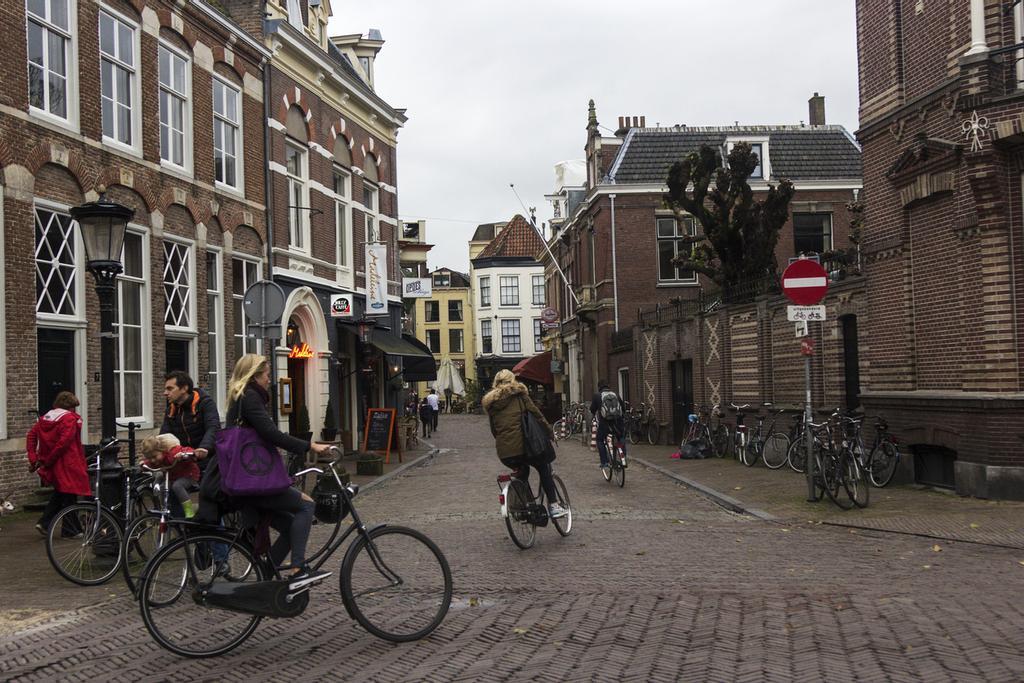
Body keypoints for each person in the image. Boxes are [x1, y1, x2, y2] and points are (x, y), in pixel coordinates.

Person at [224, 354, 331, 581]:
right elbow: (271, 434)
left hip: (248, 481)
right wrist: (310, 446)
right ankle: (298, 569)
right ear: (255, 376)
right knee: (306, 505)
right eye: (266, 374)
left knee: (292, 526)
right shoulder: (250, 397)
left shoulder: (240, 398)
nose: (268, 379)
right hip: (255, 481)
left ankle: (266, 575)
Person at [482, 369, 566, 519]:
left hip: (505, 453)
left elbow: (494, 431)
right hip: (526, 448)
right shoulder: (520, 396)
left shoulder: (491, 404)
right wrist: (550, 433)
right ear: (512, 380)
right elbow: (537, 415)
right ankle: (554, 506)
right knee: (544, 468)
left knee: (522, 472)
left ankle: (526, 506)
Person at [27, 391, 90, 536]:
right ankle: (69, 530)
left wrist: (34, 458)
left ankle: (47, 523)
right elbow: (64, 443)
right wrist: (49, 460)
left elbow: (31, 436)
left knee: (62, 493)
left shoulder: (44, 418)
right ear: (70, 407)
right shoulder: (69, 419)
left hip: (53, 463)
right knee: (69, 493)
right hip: (68, 462)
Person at [160, 371, 220, 473]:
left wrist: (204, 447)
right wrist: (152, 454)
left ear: (184, 388)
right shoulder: (171, 410)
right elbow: (164, 436)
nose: (165, 393)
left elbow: (213, 427)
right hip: (184, 462)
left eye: (170, 389)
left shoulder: (205, 403)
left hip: (208, 461)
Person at [140, 433, 199, 518]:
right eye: (149, 458)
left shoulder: (173, 452)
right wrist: (144, 465)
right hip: (173, 478)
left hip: (189, 476)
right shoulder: (157, 460)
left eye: (154, 456)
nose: (152, 460)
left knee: (177, 486)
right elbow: (150, 464)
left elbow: (190, 451)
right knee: (163, 487)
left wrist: (183, 455)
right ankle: (165, 509)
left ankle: (189, 510)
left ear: (161, 450)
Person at [590, 379, 626, 476]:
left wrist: (595, 414)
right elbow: (623, 409)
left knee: (599, 440)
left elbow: (592, 409)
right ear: (608, 385)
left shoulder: (597, 396)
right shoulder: (616, 394)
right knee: (621, 437)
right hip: (618, 423)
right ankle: (623, 458)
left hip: (605, 424)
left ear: (599, 387)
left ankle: (604, 461)